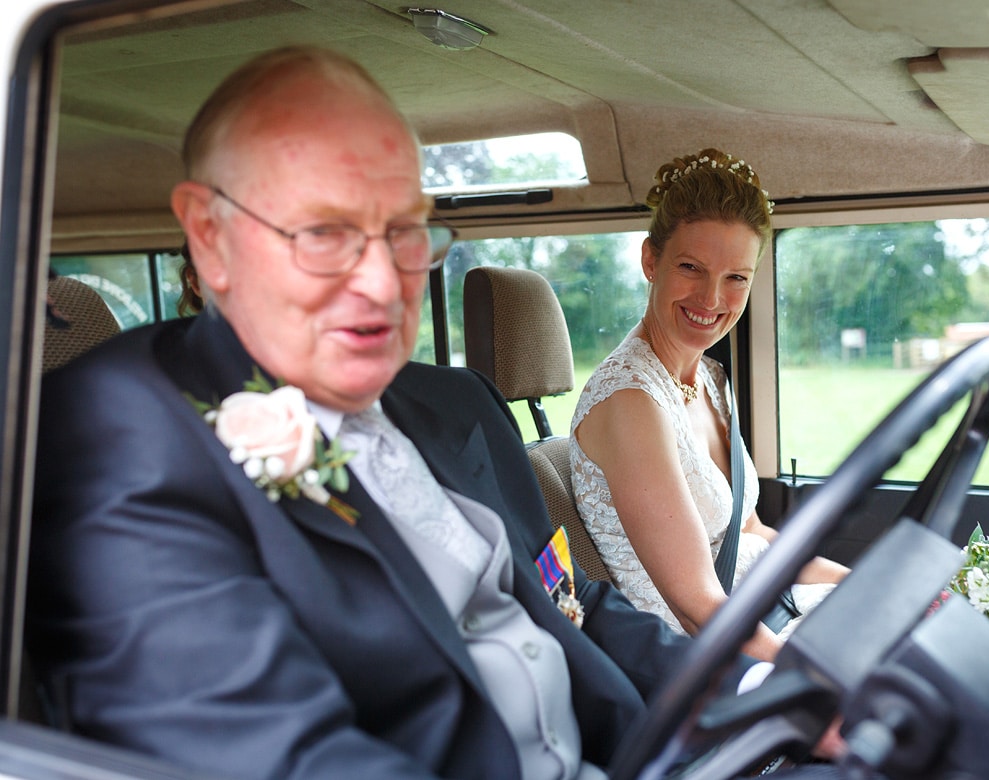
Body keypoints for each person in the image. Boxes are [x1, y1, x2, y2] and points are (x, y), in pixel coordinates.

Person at [27, 48, 844, 780]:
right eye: (326, 234)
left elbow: (573, 605)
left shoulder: (456, 404)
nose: (383, 285)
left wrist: (775, 692)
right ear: (209, 237)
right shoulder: (120, 433)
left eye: (405, 233)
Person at [570, 149, 849, 662]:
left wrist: (867, 586)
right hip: (707, 665)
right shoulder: (631, 403)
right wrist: (815, 684)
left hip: (767, 613)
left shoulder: (711, 379)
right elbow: (700, 607)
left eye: (736, 277)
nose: (711, 298)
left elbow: (754, 533)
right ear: (650, 261)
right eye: (691, 267)